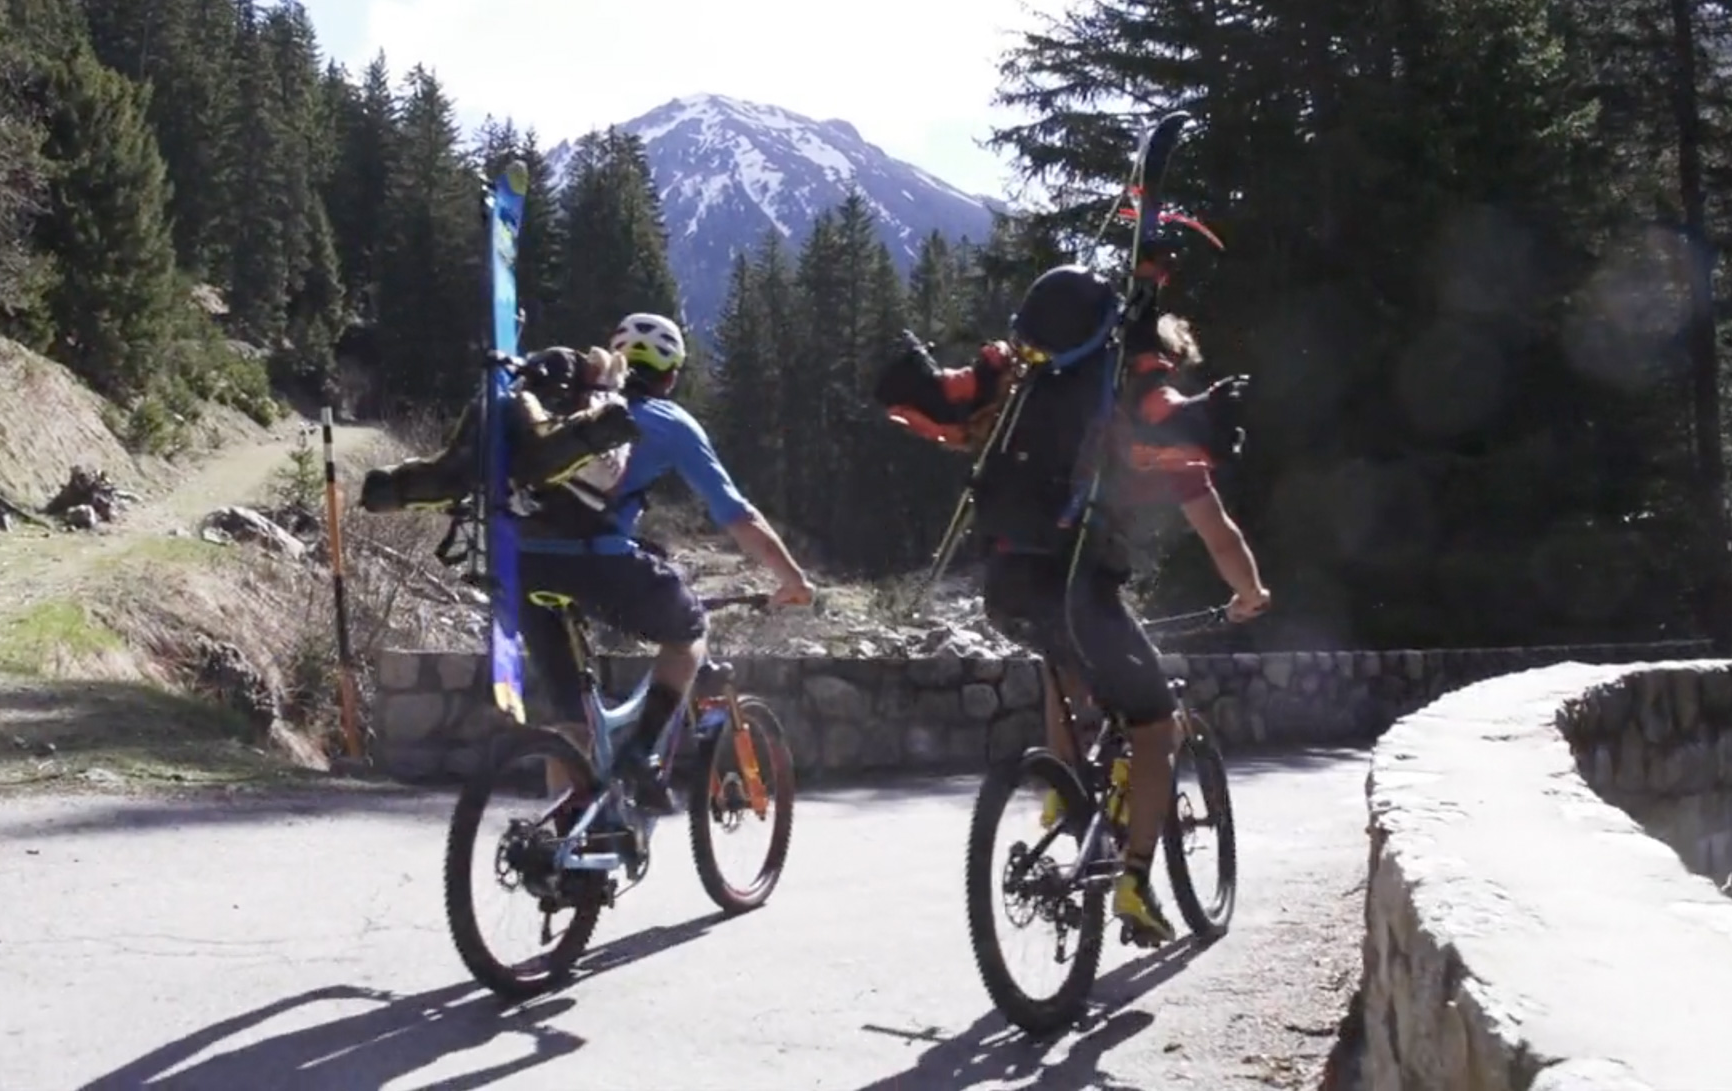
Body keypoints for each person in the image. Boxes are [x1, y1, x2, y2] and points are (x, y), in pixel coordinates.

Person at [877, 249, 1269, 947]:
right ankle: (1135, 881)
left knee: (1063, 659)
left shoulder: (1026, 392)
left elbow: (951, 399)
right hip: (1078, 581)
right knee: (1153, 725)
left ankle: (1063, 786)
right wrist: (1250, 593)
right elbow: (1219, 532)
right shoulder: (1134, 415)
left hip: (1006, 583)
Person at [518, 312, 815, 815]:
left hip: (524, 566)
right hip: (599, 565)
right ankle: (640, 754)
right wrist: (794, 579)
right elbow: (737, 515)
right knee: (689, 631)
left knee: (572, 722)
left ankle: (563, 843)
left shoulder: (563, 408)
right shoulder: (667, 421)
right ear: (671, 373)